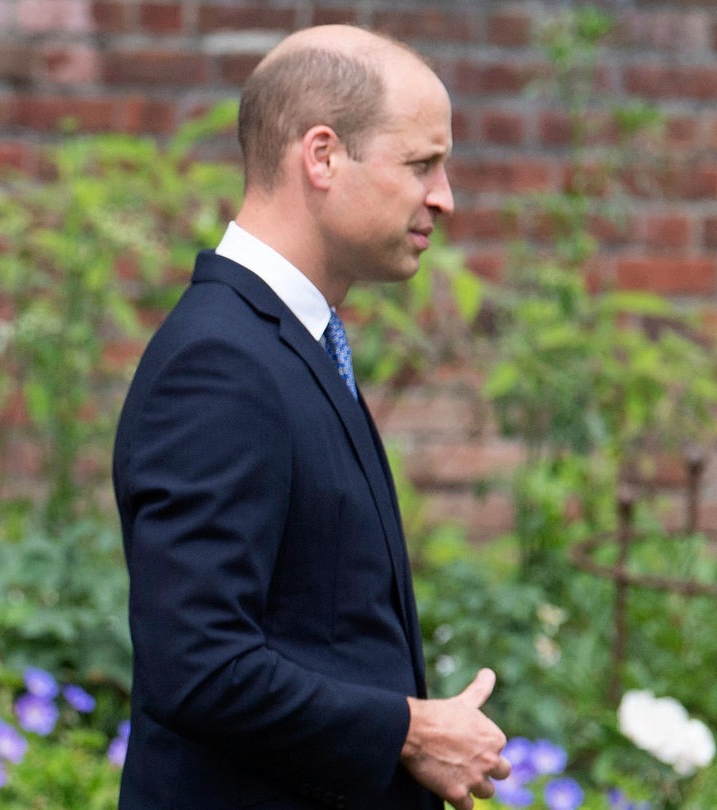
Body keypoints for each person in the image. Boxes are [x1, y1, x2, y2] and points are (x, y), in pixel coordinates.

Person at [112, 24, 510, 810]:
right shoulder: (220, 365)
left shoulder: (292, 343)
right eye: (421, 164)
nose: (444, 197)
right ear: (321, 156)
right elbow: (198, 665)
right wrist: (407, 729)